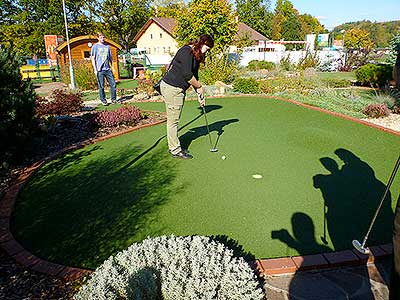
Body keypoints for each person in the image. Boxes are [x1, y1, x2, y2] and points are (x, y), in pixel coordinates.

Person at [160, 34, 214, 159]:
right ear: (202, 43)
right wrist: (199, 86)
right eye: (207, 48)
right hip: (172, 88)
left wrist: (199, 94)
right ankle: (175, 149)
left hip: (175, 88)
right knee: (173, 120)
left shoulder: (195, 53)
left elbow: (194, 74)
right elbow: (187, 75)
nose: (207, 51)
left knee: (174, 119)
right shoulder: (186, 52)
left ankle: (174, 146)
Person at [90, 32, 117, 106]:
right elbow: (93, 58)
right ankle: (103, 100)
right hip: (100, 70)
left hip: (107, 69)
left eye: (103, 37)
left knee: (113, 84)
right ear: (98, 38)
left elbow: (110, 59)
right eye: (101, 37)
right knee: (101, 86)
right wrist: (95, 69)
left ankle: (113, 99)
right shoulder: (95, 47)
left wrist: (113, 68)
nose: (102, 38)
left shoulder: (107, 47)